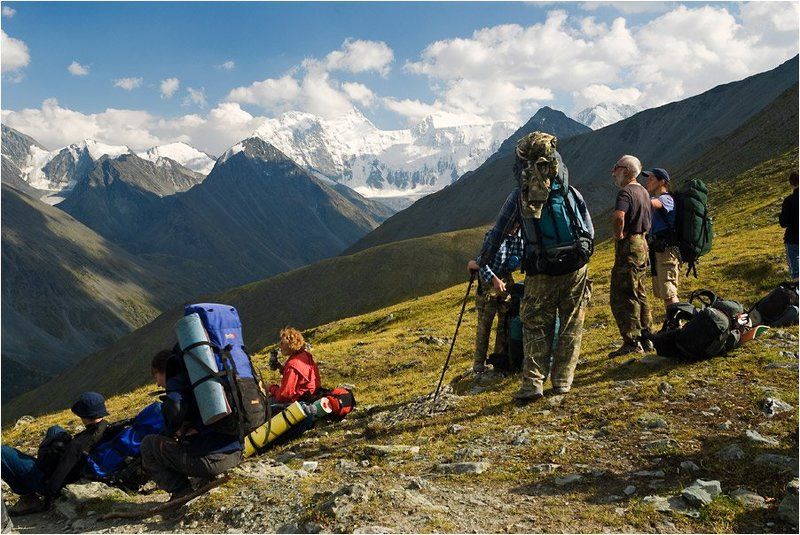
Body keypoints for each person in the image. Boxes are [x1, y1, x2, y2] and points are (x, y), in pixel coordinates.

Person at [478, 131, 593, 401]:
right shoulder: (568, 191)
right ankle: (563, 382)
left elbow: (498, 233)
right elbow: (587, 228)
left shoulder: (519, 196)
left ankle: (533, 384)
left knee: (534, 325)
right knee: (570, 325)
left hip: (541, 270)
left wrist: (483, 261)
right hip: (575, 267)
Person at [141, 349, 244, 500]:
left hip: (211, 462)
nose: (157, 384)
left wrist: (173, 430)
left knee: (148, 445)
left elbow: (175, 413)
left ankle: (181, 491)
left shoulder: (178, 386)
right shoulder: (202, 381)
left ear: (164, 371)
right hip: (236, 453)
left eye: (156, 376)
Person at [1, 392, 120, 515]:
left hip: (50, 479)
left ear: (83, 414)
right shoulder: (106, 428)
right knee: (55, 430)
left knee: (2, 452)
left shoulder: (77, 445)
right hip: (82, 465)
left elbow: (57, 480)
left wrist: (49, 496)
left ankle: (28, 499)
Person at [609, 155, 654, 357]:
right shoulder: (643, 191)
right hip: (643, 243)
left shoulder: (625, 192)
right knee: (640, 291)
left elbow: (619, 216)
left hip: (629, 245)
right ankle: (647, 336)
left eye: (616, 168)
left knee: (623, 293)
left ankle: (631, 340)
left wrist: (618, 235)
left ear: (626, 171)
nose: (613, 172)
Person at [467, 224, 523, 373]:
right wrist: (494, 280)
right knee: (484, 325)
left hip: (506, 282)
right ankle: (478, 364)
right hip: (488, 283)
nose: (514, 227)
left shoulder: (520, 238)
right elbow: (482, 262)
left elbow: (521, 258)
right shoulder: (494, 235)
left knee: (504, 324)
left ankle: (500, 360)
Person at [644, 167, 681, 311]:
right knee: (664, 292)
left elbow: (653, 204)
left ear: (662, 182)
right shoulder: (657, 199)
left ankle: (677, 325)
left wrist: (637, 193)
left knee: (669, 291)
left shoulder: (666, 199)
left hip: (667, 252)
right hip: (659, 251)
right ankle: (673, 324)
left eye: (651, 179)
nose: (648, 182)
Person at [267, 327, 321, 404]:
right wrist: (281, 368)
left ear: (291, 344)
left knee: (264, 403)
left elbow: (283, 396)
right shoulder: (305, 355)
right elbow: (301, 376)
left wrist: (271, 388)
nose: (280, 346)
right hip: (312, 394)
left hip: (300, 401)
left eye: (282, 343)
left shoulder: (293, 365)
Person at [779, 171, 798, 280]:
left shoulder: (789, 201)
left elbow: (783, 223)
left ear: (791, 183)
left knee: (797, 273)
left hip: (793, 240)